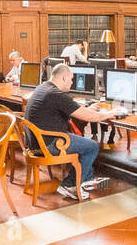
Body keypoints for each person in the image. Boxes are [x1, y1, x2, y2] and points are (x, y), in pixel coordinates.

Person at [24, 62, 112, 201]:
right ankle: (70, 184)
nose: (72, 82)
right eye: (71, 79)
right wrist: (109, 114)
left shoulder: (43, 88)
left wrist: (86, 108)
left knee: (81, 141)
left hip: (33, 145)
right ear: (64, 78)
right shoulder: (57, 95)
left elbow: (72, 109)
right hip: (50, 144)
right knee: (91, 146)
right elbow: (90, 117)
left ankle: (85, 181)